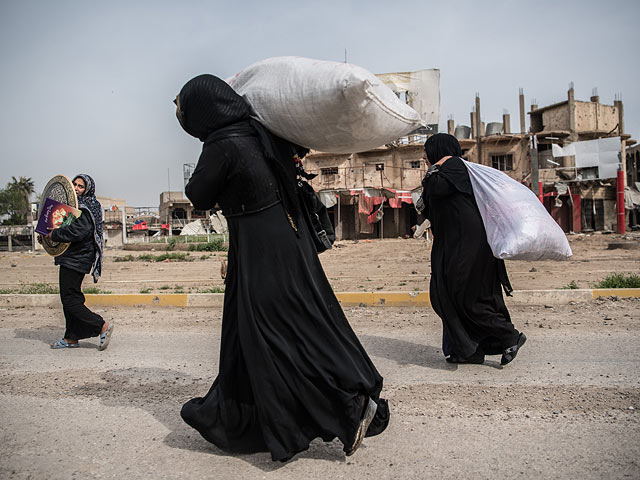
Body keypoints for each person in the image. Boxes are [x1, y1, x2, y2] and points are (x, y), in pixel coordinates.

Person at [174, 74, 388, 462]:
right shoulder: (259, 131)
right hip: (287, 239)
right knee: (291, 323)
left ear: (205, 109)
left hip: (261, 248)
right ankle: (249, 417)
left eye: (185, 110)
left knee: (277, 334)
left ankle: (348, 408)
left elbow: (197, 194)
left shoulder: (222, 143)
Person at [418, 133, 526, 365]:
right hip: (452, 244)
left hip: (468, 246)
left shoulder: (456, 167)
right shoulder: (445, 171)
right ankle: (470, 350)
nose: (424, 156)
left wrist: (433, 171)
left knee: (468, 298)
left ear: (439, 149)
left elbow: (436, 189)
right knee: (445, 295)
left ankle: (509, 336)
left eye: (427, 150)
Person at [43, 174, 113, 350]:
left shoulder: (87, 206)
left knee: (70, 299)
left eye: (80, 186)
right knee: (70, 297)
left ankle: (101, 326)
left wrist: (55, 234)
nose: (76, 188)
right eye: (74, 184)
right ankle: (71, 338)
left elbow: (78, 231)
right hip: (70, 257)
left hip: (78, 258)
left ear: (88, 189)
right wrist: (46, 237)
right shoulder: (72, 207)